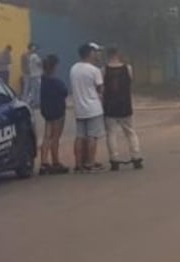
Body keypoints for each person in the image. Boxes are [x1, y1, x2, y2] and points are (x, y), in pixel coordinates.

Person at [103, 47, 143, 171]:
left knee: (111, 133)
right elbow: (130, 82)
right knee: (130, 132)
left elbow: (102, 87)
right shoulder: (128, 68)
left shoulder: (104, 70)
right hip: (125, 104)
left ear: (108, 54)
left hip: (110, 105)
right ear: (118, 54)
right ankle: (136, 157)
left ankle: (114, 160)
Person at [69, 43, 106, 172]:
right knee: (92, 137)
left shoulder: (73, 68)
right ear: (90, 53)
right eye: (95, 52)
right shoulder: (94, 70)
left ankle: (78, 164)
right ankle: (90, 163)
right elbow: (101, 89)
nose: (96, 54)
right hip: (93, 108)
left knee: (80, 136)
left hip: (79, 108)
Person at [38, 55, 70, 175]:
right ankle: (55, 162)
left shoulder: (43, 80)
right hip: (57, 111)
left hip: (47, 111)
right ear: (54, 67)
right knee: (55, 137)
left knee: (47, 136)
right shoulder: (56, 81)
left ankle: (44, 162)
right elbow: (64, 92)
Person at [22, 43, 42, 108]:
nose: (34, 49)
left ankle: (33, 102)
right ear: (30, 48)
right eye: (33, 47)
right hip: (28, 73)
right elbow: (23, 64)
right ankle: (25, 101)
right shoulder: (26, 55)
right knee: (27, 87)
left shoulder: (32, 55)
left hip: (32, 74)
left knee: (33, 88)